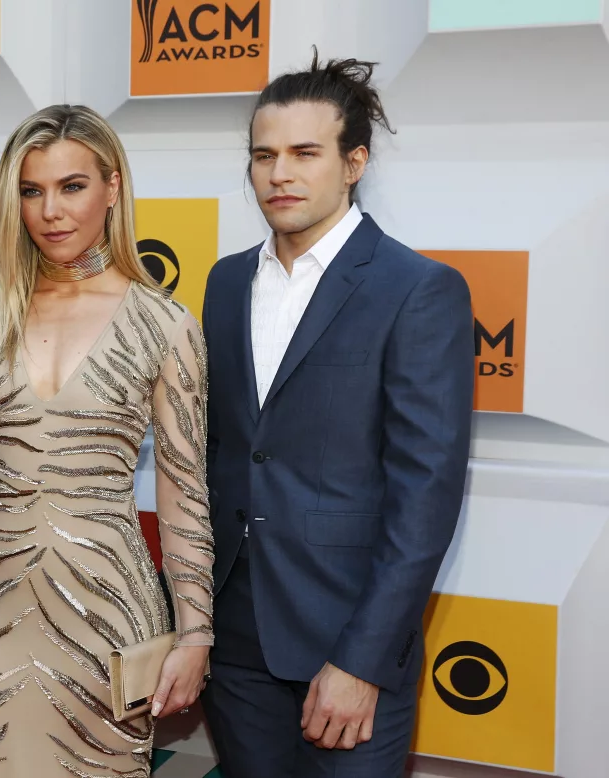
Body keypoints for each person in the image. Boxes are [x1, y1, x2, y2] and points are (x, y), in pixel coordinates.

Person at [0, 104, 214, 777]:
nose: (50, 210)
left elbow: (185, 496)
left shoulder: (165, 326)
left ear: (113, 187)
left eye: (72, 187)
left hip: (107, 618)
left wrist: (196, 633)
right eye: (31, 190)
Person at [200, 50, 475, 777]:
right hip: (235, 644)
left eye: (303, 153)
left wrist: (362, 660)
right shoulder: (225, 283)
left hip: (347, 642)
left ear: (353, 162)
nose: (278, 173)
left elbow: (425, 497)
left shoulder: (417, 290)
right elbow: (220, 452)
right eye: (263, 155)